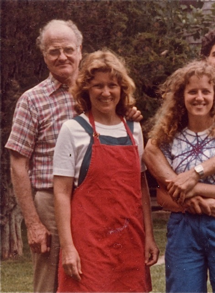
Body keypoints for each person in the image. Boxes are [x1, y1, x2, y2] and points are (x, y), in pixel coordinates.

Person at [5, 19, 142, 293]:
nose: (62, 57)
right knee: (52, 282)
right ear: (44, 56)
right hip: (52, 203)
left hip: (100, 205)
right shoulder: (32, 100)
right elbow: (18, 163)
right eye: (53, 51)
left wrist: (130, 113)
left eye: (68, 49)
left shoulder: (100, 90)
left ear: (80, 50)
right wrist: (33, 223)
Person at [53, 49, 159, 292]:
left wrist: (149, 236)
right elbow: (61, 193)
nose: (106, 92)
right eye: (98, 86)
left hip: (129, 240)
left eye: (112, 85)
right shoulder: (72, 129)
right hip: (88, 244)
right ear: (86, 90)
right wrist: (68, 247)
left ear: (122, 89)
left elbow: (141, 187)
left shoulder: (135, 129)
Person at [149, 60, 215, 292]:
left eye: (206, 91)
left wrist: (195, 186)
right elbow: (163, 195)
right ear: (181, 97)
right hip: (183, 226)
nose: (199, 97)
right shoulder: (168, 139)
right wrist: (195, 203)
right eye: (192, 92)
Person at [143, 26, 215, 238]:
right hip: (187, 210)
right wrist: (182, 191)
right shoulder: (187, 102)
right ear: (205, 60)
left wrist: (195, 175)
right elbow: (151, 150)